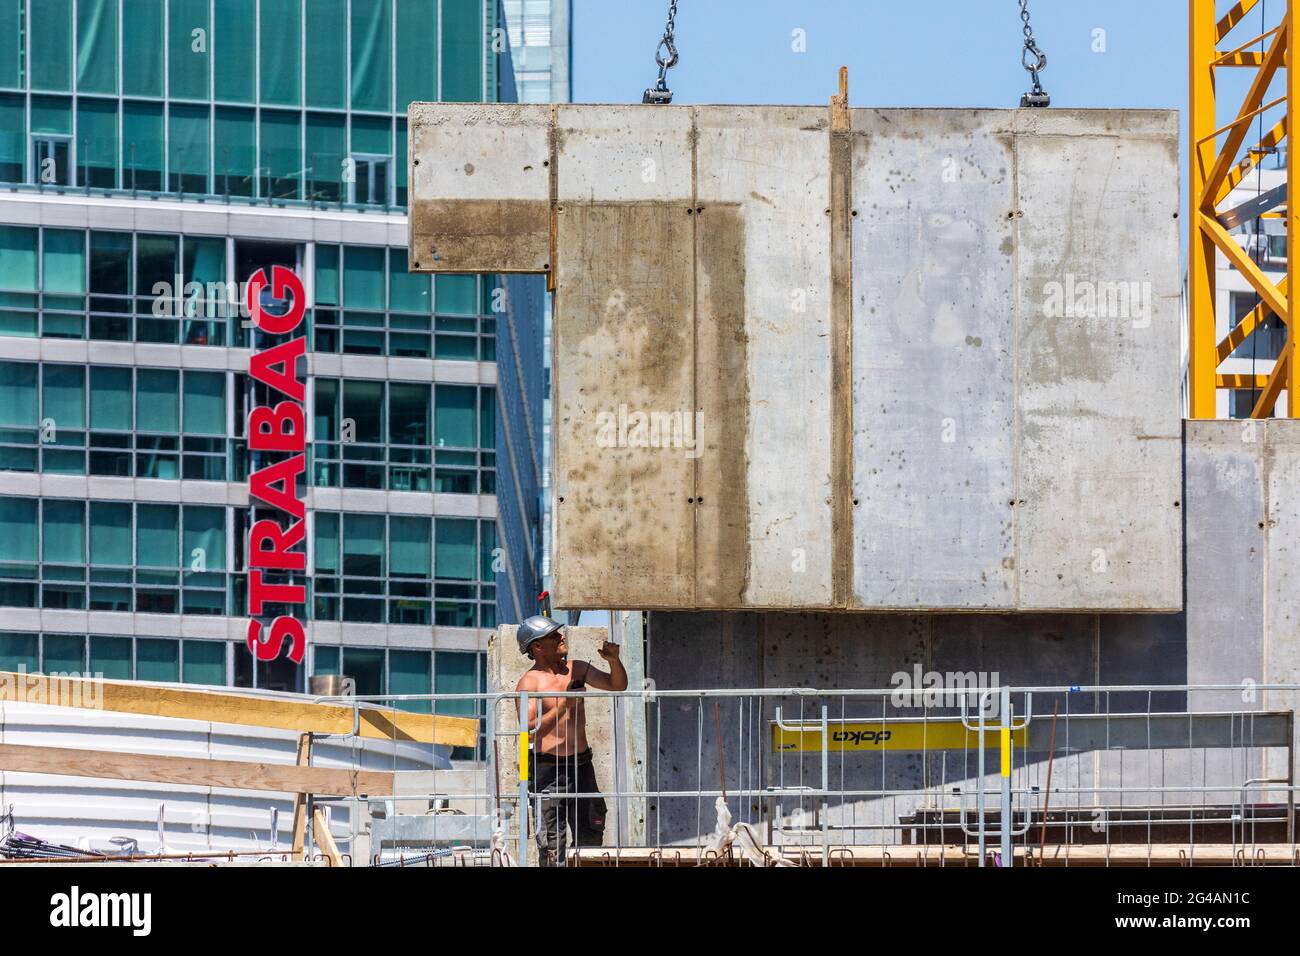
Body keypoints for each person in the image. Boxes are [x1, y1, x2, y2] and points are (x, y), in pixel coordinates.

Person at [514, 615, 628, 866]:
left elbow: (617, 685)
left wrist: (614, 661)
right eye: (554, 635)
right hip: (548, 769)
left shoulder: (577, 669)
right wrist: (564, 704)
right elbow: (528, 729)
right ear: (537, 647)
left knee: (591, 831)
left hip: (581, 765)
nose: (561, 636)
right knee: (552, 841)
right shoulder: (530, 682)